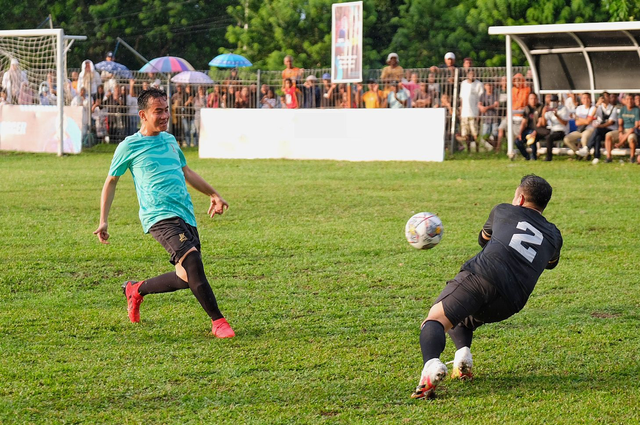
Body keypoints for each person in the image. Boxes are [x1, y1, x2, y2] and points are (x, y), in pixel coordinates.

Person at [94, 87, 235, 338]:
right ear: (143, 115)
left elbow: (186, 172)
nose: (164, 116)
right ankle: (218, 322)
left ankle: (136, 289)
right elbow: (111, 181)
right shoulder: (129, 146)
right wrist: (103, 220)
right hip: (158, 217)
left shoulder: (169, 140)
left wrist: (214, 194)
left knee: (185, 276)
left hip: (185, 214)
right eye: (158, 111)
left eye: (166, 110)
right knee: (192, 261)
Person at [411, 174, 562, 400]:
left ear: (520, 199)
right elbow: (551, 264)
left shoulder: (503, 210)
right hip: (512, 301)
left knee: (436, 318)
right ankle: (462, 356)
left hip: (483, 276)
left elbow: (484, 240)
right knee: (462, 316)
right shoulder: (554, 235)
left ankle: (431, 365)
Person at [604, 94, 639, 163]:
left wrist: (621, 141)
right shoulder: (623, 109)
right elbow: (620, 124)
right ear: (625, 100)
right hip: (623, 130)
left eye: (631, 99)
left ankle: (632, 157)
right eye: (627, 99)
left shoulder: (637, 110)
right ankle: (609, 157)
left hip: (632, 131)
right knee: (608, 135)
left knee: (631, 139)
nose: (629, 101)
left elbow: (636, 126)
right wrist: (620, 133)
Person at [563, 93, 596, 158]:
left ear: (590, 99)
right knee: (567, 139)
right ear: (581, 100)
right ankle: (578, 153)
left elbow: (588, 122)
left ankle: (587, 155)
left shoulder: (593, 108)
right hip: (580, 129)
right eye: (584, 98)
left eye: (587, 98)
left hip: (590, 128)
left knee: (584, 138)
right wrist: (585, 120)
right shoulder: (579, 108)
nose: (586, 100)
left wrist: (580, 119)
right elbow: (577, 123)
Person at [459, 70, 484, 152]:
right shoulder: (463, 84)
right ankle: (468, 150)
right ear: (467, 75)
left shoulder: (479, 84)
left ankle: (477, 150)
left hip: (474, 112)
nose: (471, 75)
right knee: (466, 134)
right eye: (470, 74)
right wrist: (461, 111)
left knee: (475, 133)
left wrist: (479, 113)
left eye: (473, 74)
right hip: (464, 113)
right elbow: (462, 98)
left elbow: (481, 99)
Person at [589, 92, 617, 164]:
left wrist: (600, 126)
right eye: (603, 97)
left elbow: (611, 122)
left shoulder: (613, 108)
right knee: (597, 136)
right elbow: (591, 116)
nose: (604, 99)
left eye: (606, 97)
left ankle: (588, 147)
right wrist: (597, 105)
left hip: (610, 129)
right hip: (600, 129)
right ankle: (596, 156)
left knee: (597, 130)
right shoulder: (598, 107)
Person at [539, 94, 569, 161]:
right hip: (552, 130)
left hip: (562, 130)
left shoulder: (563, 109)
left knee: (549, 138)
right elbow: (543, 123)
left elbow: (565, 123)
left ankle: (549, 157)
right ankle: (533, 155)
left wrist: (557, 116)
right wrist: (543, 113)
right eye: (551, 101)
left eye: (554, 101)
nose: (553, 103)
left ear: (558, 101)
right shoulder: (549, 109)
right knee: (539, 134)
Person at [515, 93, 543, 161]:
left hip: (539, 130)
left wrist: (535, 132)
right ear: (528, 100)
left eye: (534, 98)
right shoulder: (527, 109)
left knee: (531, 136)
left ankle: (534, 157)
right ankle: (527, 156)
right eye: (531, 99)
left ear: (537, 99)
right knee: (517, 141)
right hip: (528, 130)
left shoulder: (541, 108)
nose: (533, 100)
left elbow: (540, 122)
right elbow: (523, 122)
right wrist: (520, 134)